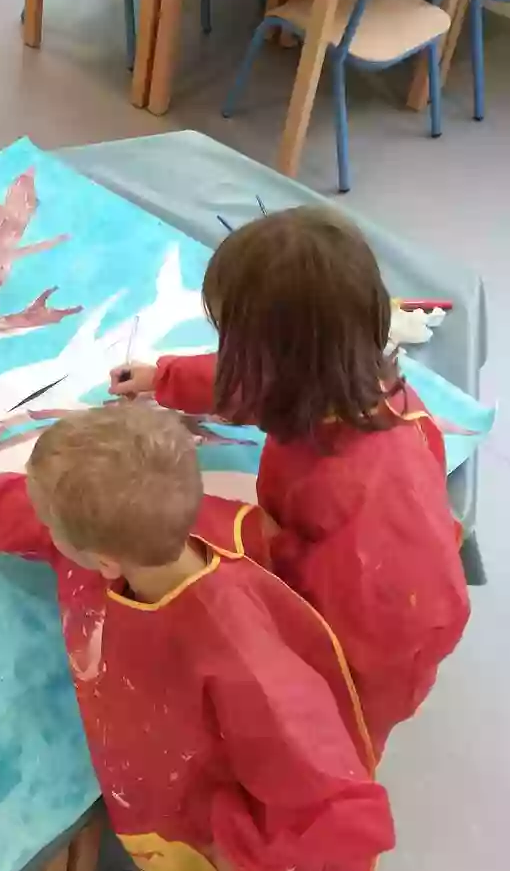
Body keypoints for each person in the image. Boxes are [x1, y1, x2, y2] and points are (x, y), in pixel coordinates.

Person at [0, 403, 395, 871]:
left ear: (102, 559)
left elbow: (339, 803)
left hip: (250, 865)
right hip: (175, 813)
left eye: (52, 523)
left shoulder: (241, 656)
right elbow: (45, 525)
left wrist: (252, 854)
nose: (47, 532)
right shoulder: (141, 536)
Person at [110, 206, 469, 757]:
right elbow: (252, 381)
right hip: (378, 595)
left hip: (366, 660)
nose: (229, 353)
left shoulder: (361, 498)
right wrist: (167, 378)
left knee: (310, 745)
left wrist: (204, 522)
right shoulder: (343, 377)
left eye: (233, 339)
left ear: (279, 360)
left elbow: (319, 610)